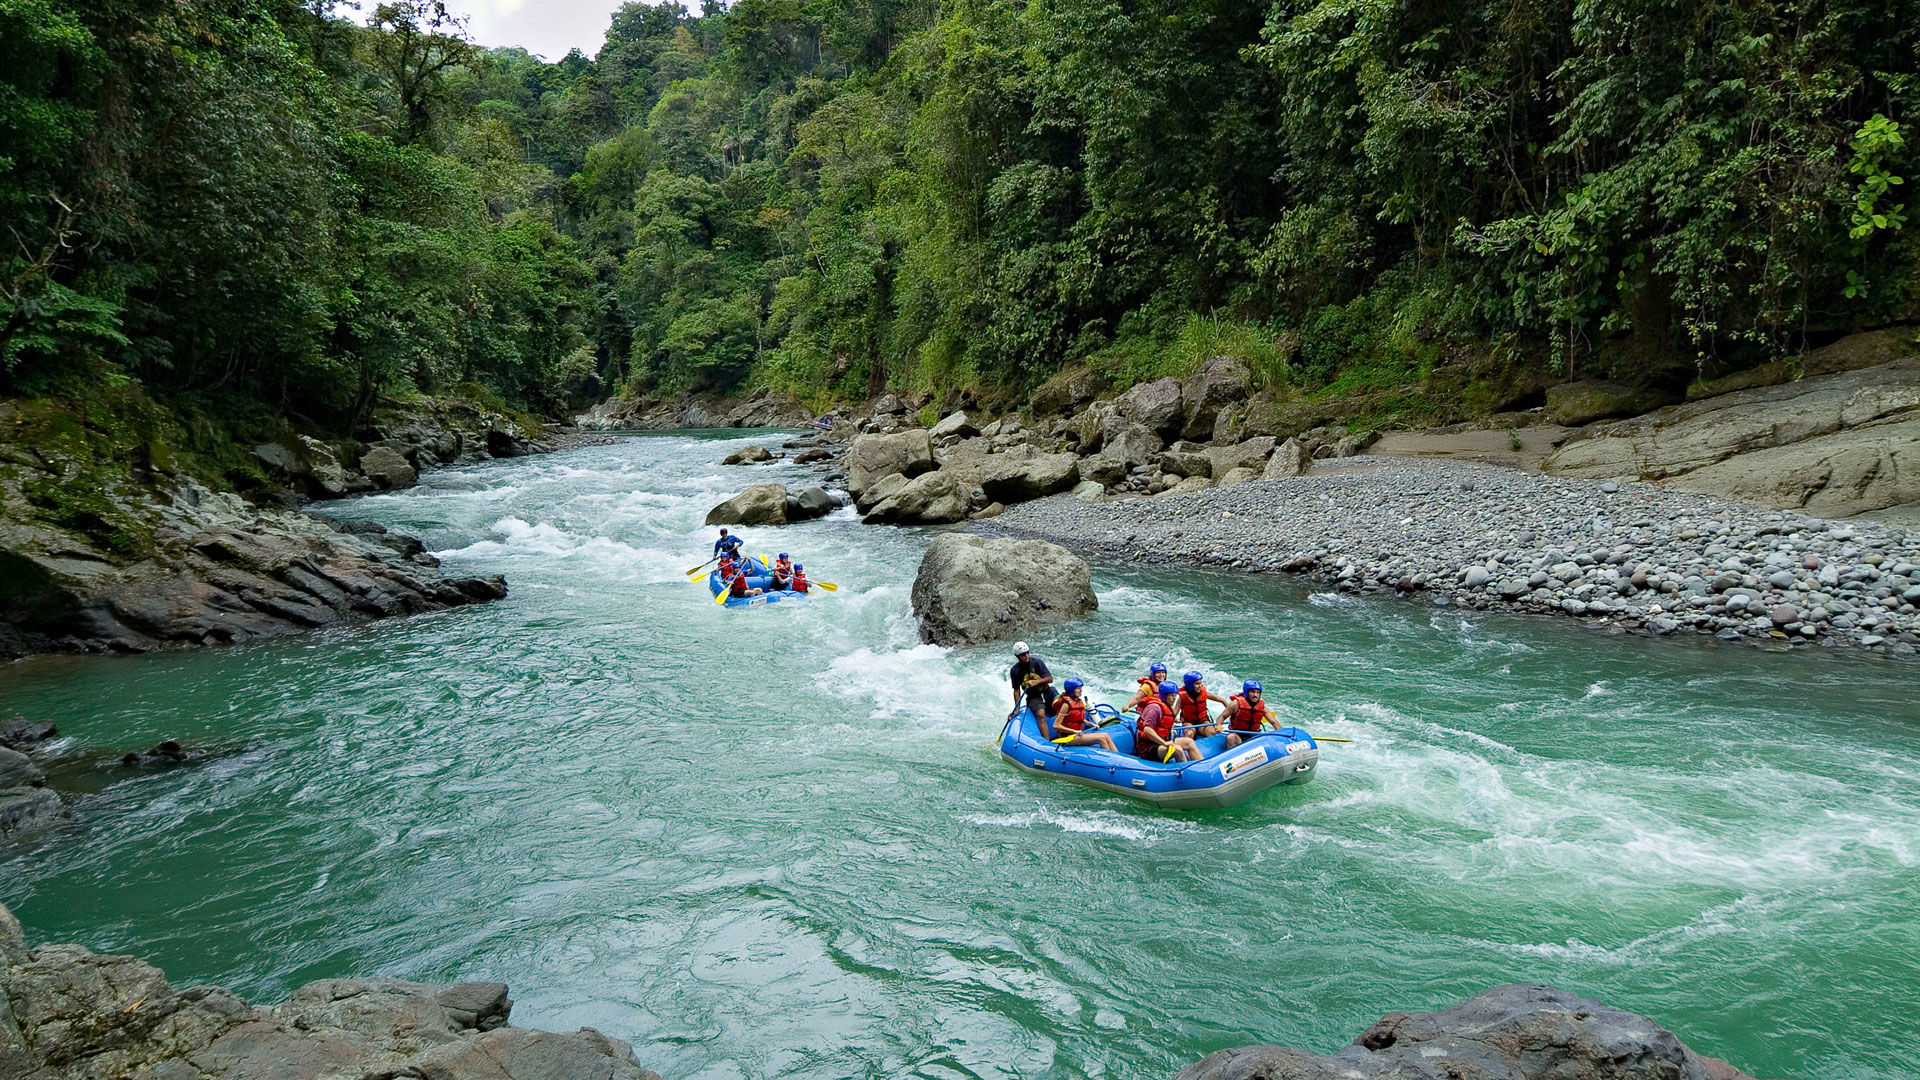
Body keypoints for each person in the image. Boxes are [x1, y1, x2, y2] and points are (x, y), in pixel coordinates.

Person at [1043, 678, 1118, 751]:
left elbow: (1079, 719)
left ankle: (1117, 757)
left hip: (1076, 735)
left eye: (1081, 688)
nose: (1081, 690)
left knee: (1106, 735)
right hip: (1068, 738)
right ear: (1071, 690)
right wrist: (1074, 731)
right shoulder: (1066, 705)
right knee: (1101, 738)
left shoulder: (1078, 701)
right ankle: (1111, 761)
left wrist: (1092, 724)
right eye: (1078, 688)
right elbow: (1056, 725)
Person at [1135, 681, 1201, 763]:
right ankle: (1186, 773)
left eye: (1175, 695)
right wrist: (1164, 743)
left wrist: (1169, 730)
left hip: (1161, 742)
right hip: (1148, 748)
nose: (1174, 698)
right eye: (1171, 695)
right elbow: (1147, 730)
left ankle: (1202, 766)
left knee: (1189, 742)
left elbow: (1161, 725)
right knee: (1177, 749)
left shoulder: (1166, 706)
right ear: (1164, 696)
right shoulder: (1154, 708)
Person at [1172, 670, 1228, 740]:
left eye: (1200, 683)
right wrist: (1173, 720)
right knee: (1189, 733)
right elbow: (1174, 713)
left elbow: (1222, 700)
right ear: (1190, 685)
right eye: (1197, 684)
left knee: (1211, 732)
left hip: (1203, 721)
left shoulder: (1204, 693)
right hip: (1189, 723)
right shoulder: (1182, 697)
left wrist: (1230, 713)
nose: (1200, 686)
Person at [1223, 680, 1277, 749]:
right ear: (1246, 692)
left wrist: (1281, 736)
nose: (1255, 695)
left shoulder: (1263, 708)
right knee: (1231, 737)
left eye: (1258, 692)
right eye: (1252, 692)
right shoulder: (1236, 704)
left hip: (1253, 735)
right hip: (1237, 734)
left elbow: (1274, 723)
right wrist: (1218, 725)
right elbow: (1222, 717)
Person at [1009, 642, 1056, 720]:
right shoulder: (1015, 671)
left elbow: (1050, 679)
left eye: (1027, 653)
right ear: (1018, 656)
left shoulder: (1037, 662)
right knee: (1041, 714)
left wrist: (1036, 682)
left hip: (1046, 690)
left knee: (1061, 703)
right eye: (1023, 655)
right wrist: (1017, 708)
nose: (1026, 656)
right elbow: (1016, 691)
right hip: (1033, 696)